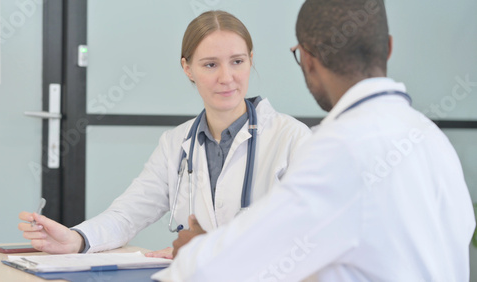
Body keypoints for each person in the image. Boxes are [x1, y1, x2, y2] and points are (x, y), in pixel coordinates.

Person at [152, 0, 476, 281]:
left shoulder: (339, 149)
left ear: (307, 59)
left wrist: (196, 251)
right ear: (388, 47)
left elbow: (232, 267)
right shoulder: (431, 138)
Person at [18, 11, 312, 258]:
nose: (226, 77)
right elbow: (128, 214)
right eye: (210, 64)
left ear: (250, 59)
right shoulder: (176, 144)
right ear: (187, 68)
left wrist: (205, 252)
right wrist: (77, 239)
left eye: (237, 61)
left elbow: (309, 237)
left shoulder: (292, 139)